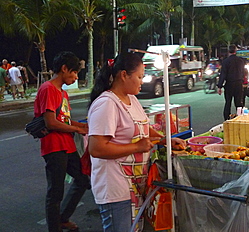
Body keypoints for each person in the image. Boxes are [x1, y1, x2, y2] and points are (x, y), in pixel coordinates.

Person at [87, 52, 186, 232]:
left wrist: (165, 140)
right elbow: (97, 148)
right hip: (115, 188)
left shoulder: (132, 99)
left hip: (135, 184)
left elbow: (144, 129)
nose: (142, 81)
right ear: (124, 75)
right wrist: (137, 147)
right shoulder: (107, 103)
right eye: (140, 76)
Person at [34, 51, 90, 232]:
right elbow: (51, 122)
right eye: (74, 73)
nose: (75, 77)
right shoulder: (48, 89)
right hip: (54, 147)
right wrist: (76, 129)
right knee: (55, 192)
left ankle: (63, 218)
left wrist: (83, 127)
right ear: (64, 69)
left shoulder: (62, 93)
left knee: (83, 179)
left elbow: (64, 120)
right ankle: (55, 227)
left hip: (67, 146)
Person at [217, 45, 245, 120]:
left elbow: (223, 74)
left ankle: (227, 119)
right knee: (239, 103)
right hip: (239, 84)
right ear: (235, 51)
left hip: (229, 84)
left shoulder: (226, 61)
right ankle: (240, 118)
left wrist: (219, 86)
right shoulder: (241, 61)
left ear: (228, 51)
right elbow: (243, 73)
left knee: (228, 103)